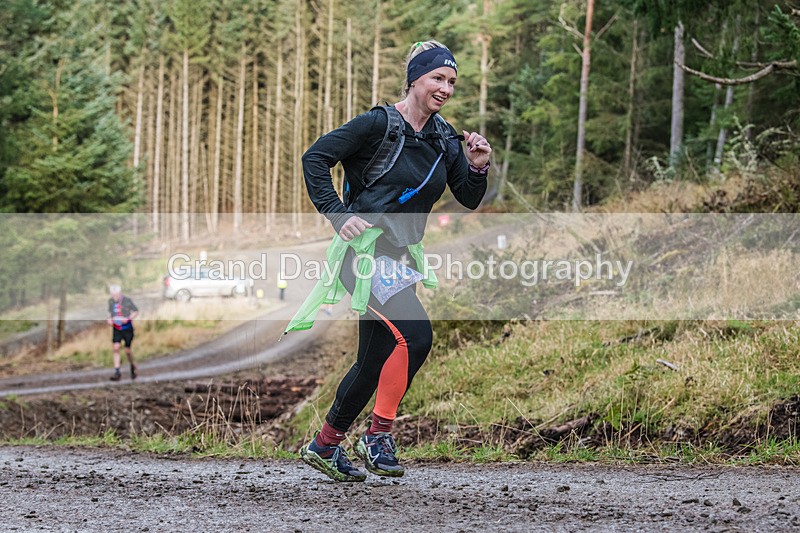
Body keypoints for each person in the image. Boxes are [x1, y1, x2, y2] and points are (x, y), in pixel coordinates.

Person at [297, 40, 491, 482]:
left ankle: (325, 445)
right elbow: (316, 158)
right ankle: (378, 435)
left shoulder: (445, 139)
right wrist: (337, 214)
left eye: (452, 82)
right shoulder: (377, 124)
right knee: (416, 337)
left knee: (374, 359)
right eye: (437, 78)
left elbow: (468, 197)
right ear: (414, 79)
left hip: (401, 260)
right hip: (363, 257)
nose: (445, 88)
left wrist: (477, 166)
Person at [107, 285, 139, 381]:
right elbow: (110, 313)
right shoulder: (111, 301)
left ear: (120, 293)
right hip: (116, 328)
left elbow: (136, 311)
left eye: (115, 295)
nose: (114, 297)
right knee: (116, 348)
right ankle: (117, 372)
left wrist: (128, 318)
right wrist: (109, 319)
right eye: (112, 295)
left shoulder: (127, 300)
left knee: (127, 351)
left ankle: (132, 366)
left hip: (127, 328)